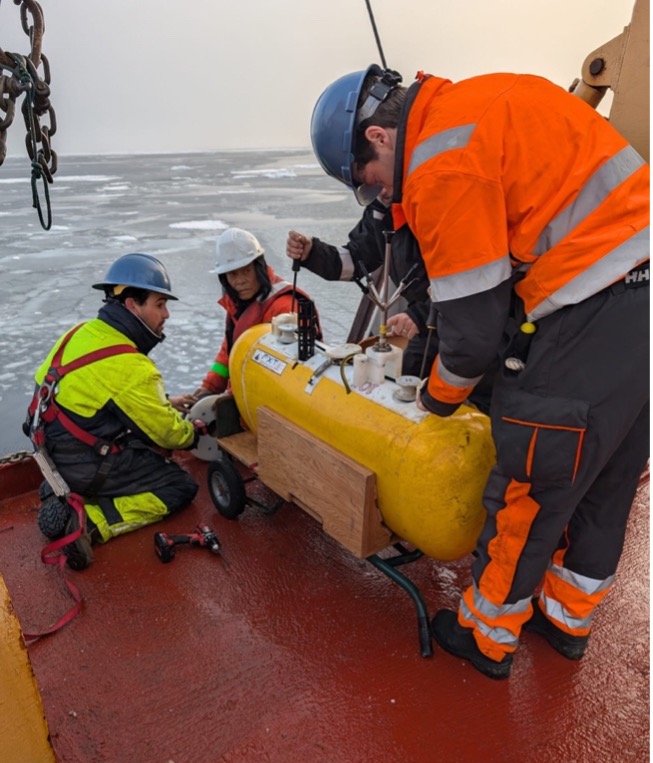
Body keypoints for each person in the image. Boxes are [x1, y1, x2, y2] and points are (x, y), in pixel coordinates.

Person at [310, 64, 650, 678]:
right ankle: (567, 618)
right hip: (639, 301)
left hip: (589, 308)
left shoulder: (441, 161)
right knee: (606, 480)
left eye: (370, 183)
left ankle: (486, 633)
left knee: (530, 481)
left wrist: (433, 406)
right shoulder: (489, 97)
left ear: (379, 138)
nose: (383, 198)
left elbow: (470, 339)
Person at [26, 253, 203, 570]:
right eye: (160, 304)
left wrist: (166, 402)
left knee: (135, 442)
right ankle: (90, 523)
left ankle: (63, 485)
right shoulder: (130, 365)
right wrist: (195, 434)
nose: (167, 314)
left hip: (50, 449)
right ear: (133, 305)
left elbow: (99, 394)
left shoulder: (83, 332)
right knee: (179, 485)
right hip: (83, 461)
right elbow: (169, 435)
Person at [286, 195, 436, 380]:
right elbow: (356, 259)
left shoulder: (434, 205)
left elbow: (467, 284)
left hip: (457, 321)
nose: (376, 190)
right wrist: (313, 253)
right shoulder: (381, 209)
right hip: (428, 322)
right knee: (409, 369)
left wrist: (422, 314)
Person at [171, 227, 321, 410]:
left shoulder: (285, 307)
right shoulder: (239, 303)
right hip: (248, 398)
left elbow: (286, 372)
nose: (240, 280)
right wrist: (209, 389)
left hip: (275, 405)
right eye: (233, 274)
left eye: (246, 271)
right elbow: (229, 353)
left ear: (258, 267)